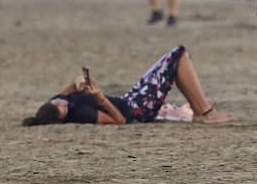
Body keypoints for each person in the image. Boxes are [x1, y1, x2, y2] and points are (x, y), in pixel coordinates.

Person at [21, 46, 232, 126]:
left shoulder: (57, 102)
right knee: (178, 55)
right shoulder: (83, 113)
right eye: (63, 110)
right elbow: (121, 120)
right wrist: (100, 97)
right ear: (64, 117)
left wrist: (78, 83)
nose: (64, 103)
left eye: (60, 102)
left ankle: (200, 110)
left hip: (130, 98)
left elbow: (69, 90)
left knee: (173, 59)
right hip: (137, 109)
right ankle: (204, 112)